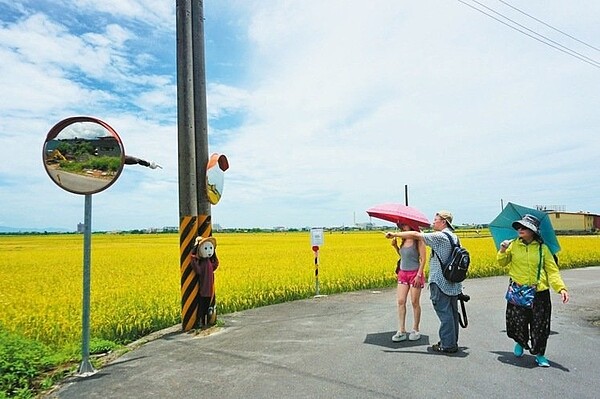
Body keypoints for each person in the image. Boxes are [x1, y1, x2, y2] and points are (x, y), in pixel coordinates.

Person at [497, 214, 569, 367]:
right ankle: (520, 342)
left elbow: (552, 270)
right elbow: (502, 263)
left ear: (533, 231)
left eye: (524, 227)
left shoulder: (543, 249)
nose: (520, 229)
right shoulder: (513, 245)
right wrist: (502, 250)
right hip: (518, 292)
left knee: (540, 326)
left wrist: (561, 288)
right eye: (519, 227)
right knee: (518, 323)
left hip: (539, 293)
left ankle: (540, 354)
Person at [386, 210, 462, 353]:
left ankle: (447, 345)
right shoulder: (454, 237)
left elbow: (416, 235)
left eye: (436, 219)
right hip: (453, 282)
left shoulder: (440, 236)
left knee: (444, 313)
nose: (433, 222)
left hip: (441, 282)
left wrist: (394, 234)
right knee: (451, 313)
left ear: (443, 222)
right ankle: (450, 341)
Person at [390, 223, 426, 342]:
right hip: (403, 273)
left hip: (415, 274)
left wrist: (419, 275)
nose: (402, 226)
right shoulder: (403, 240)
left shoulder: (418, 240)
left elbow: (423, 259)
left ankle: (415, 329)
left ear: (411, 225)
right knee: (401, 301)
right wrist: (395, 247)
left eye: (404, 224)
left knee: (415, 302)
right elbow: (404, 256)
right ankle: (401, 330)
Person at [191, 236, 219, 328]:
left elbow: (216, 264)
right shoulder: (203, 263)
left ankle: (205, 321)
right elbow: (198, 270)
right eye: (206, 248)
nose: (209, 251)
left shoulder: (209, 263)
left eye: (211, 248)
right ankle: (202, 321)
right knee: (203, 307)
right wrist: (193, 258)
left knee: (206, 306)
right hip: (204, 289)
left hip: (209, 289)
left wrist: (214, 255)